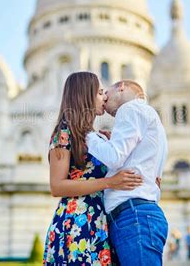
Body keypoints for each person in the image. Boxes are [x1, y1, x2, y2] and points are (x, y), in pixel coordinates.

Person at [43, 72, 144, 265]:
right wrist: (108, 183)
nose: (105, 97)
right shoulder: (65, 132)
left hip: (100, 221)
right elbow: (57, 186)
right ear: (85, 96)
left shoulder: (94, 137)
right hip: (76, 224)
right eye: (99, 92)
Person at [86, 80, 169, 265]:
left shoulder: (129, 108)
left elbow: (115, 157)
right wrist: (110, 142)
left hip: (133, 216)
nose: (104, 100)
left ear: (121, 87)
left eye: (106, 93)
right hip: (140, 215)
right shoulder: (154, 122)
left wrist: (87, 135)